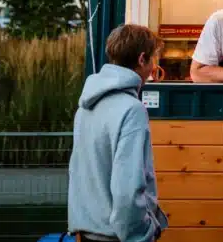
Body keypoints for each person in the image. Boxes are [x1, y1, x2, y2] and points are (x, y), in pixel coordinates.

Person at [68, 23, 168, 242]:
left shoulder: (85, 106)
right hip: (119, 236)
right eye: (153, 60)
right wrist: (143, 234)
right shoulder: (132, 110)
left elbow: (78, 172)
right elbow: (128, 188)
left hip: (86, 232)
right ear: (142, 59)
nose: (153, 67)